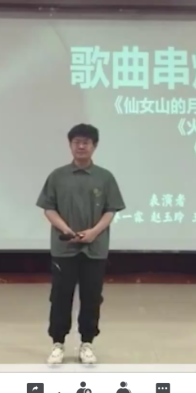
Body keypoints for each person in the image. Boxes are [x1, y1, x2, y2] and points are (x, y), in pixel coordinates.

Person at [37, 123, 125, 366]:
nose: (81, 146)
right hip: (64, 248)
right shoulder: (57, 176)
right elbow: (48, 208)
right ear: (70, 145)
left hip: (94, 249)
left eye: (86, 142)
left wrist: (94, 232)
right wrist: (66, 230)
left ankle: (87, 343)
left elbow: (111, 210)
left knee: (92, 297)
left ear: (94, 146)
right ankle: (58, 343)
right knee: (60, 297)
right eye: (77, 142)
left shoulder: (105, 177)